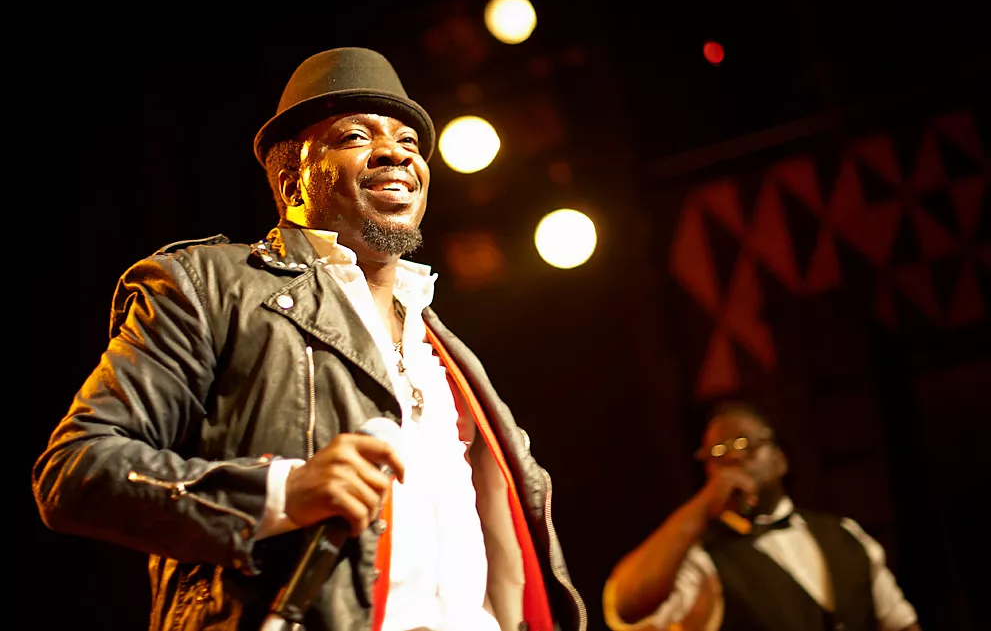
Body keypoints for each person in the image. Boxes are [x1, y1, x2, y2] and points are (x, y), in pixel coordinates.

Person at [32, 46, 585, 631]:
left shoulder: (447, 355)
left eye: (409, 141)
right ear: (292, 181)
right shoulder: (209, 287)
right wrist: (285, 492)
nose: (397, 152)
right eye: (356, 136)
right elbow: (76, 469)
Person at [603, 401, 920, 631]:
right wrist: (703, 504)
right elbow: (627, 603)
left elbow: (901, 624)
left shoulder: (844, 534)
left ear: (780, 459)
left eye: (744, 443)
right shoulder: (704, 560)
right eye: (717, 452)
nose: (733, 456)